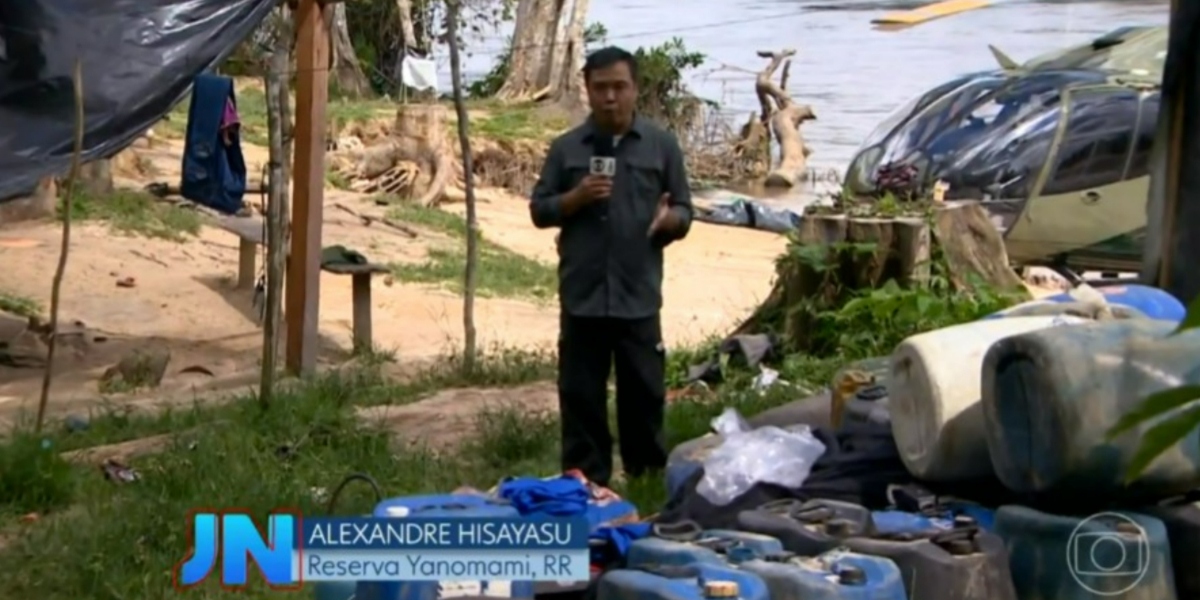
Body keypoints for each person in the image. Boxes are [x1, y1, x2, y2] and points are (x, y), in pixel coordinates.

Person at [529, 46, 693, 487]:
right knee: (581, 399)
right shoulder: (566, 149)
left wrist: (670, 222)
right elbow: (539, 210)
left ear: (635, 89)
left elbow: (684, 209)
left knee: (643, 397)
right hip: (582, 297)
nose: (609, 98)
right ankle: (586, 485)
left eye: (619, 87)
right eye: (600, 88)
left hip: (637, 295)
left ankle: (645, 481)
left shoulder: (662, 146)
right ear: (586, 90)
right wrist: (574, 199)